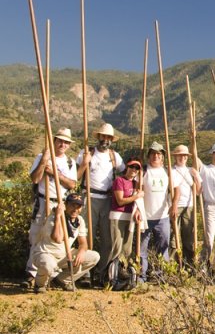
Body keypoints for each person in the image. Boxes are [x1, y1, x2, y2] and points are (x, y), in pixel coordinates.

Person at [23, 128, 78, 288]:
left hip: (60, 204)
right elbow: (35, 179)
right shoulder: (42, 157)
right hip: (43, 201)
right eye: (60, 140)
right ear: (54, 141)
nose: (63, 144)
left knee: (56, 239)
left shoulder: (70, 162)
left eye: (66, 142)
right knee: (36, 236)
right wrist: (44, 161)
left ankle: (50, 275)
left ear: (69, 145)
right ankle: (31, 274)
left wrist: (54, 173)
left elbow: (72, 184)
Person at [76, 123, 125, 280]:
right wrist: (85, 163)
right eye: (103, 136)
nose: (105, 140)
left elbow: (125, 173)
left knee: (107, 237)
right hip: (89, 197)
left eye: (108, 137)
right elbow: (75, 176)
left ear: (111, 140)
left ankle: (102, 272)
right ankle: (85, 272)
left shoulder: (114, 156)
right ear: (98, 137)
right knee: (86, 235)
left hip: (107, 200)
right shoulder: (86, 153)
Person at [32, 193, 100, 293]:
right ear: (65, 205)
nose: (75, 209)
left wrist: (81, 252)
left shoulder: (79, 220)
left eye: (78, 206)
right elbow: (58, 238)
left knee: (94, 256)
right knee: (48, 266)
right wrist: (59, 216)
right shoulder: (52, 218)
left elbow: (83, 243)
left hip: (64, 255)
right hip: (45, 254)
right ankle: (40, 284)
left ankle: (61, 280)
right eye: (72, 205)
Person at [140, 141, 175, 281]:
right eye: (153, 153)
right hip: (145, 216)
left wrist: (174, 203)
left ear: (163, 157)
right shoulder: (143, 171)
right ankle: (141, 276)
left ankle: (161, 276)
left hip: (163, 216)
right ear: (149, 156)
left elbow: (175, 189)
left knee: (163, 247)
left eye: (159, 154)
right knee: (142, 249)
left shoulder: (167, 172)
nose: (156, 156)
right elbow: (138, 190)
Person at [107, 157, 144, 271]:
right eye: (132, 166)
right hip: (118, 216)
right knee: (117, 247)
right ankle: (111, 273)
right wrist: (136, 196)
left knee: (127, 249)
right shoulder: (119, 181)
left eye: (137, 168)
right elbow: (120, 200)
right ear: (127, 167)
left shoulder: (136, 183)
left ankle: (122, 272)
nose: (134, 169)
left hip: (130, 218)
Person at [170, 145, 202, 265]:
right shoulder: (171, 171)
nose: (182, 157)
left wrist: (196, 177)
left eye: (184, 155)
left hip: (189, 206)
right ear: (175, 156)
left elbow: (198, 191)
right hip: (175, 206)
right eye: (180, 155)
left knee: (189, 237)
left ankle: (190, 266)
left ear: (187, 157)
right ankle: (174, 266)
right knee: (174, 237)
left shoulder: (191, 171)